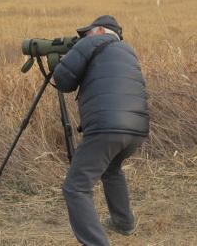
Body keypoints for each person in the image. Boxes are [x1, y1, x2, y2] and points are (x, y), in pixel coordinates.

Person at [53, 15, 149, 246]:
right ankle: (123, 222)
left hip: (107, 126)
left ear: (99, 30)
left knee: (76, 187)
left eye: (87, 32)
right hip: (137, 128)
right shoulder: (128, 50)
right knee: (112, 169)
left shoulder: (92, 42)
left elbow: (63, 80)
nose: (83, 37)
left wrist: (58, 61)